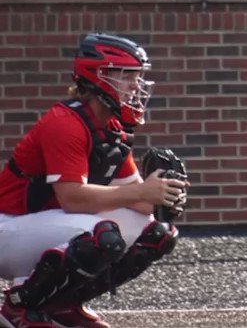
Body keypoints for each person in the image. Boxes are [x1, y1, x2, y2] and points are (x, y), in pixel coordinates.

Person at [0, 33, 188, 328]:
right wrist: (143, 191)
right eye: (126, 75)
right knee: (104, 236)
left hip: (40, 224)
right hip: (8, 226)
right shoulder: (64, 123)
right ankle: (18, 305)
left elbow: (136, 201)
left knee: (158, 233)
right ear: (98, 76)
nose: (135, 86)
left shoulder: (110, 127)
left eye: (137, 77)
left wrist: (163, 195)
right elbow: (73, 198)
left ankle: (62, 304)